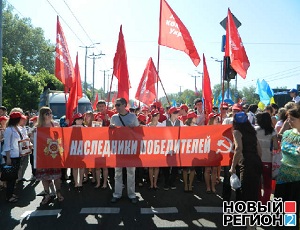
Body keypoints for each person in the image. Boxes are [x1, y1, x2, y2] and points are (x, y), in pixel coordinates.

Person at [274, 104, 300, 229]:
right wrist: (283, 129)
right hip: (283, 176)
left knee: (291, 210)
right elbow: (278, 144)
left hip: (296, 180)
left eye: (292, 119)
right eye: (288, 118)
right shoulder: (287, 133)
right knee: (279, 207)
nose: (289, 121)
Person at [110, 98, 139, 204]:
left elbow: (139, 132)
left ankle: (131, 194)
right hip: (119, 148)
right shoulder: (113, 117)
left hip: (130, 149)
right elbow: (110, 134)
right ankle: (117, 194)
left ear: (124, 105)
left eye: (118, 105)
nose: (116, 107)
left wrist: (134, 128)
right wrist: (111, 128)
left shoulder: (132, 116)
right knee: (117, 173)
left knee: (131, 172)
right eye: (115, 105)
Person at [229, 112, 262, 203]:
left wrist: (232, 167)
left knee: (244, 189)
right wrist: (258, 160)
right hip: (256, 159)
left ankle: (244, 212)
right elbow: (259, 149)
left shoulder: (237, 132)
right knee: (254, 188)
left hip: (246, 161)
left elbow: (238, 148)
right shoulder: (252, 131)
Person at [35, 107, 64, 205]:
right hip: (43, 156)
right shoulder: (38, 127)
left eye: (50, 113)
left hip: (54, 155)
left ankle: (58, 193)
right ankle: (47, 194)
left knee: (56, 176)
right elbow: (32, 140)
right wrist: (32, 135)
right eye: (47, 113)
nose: (49, 115)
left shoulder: (55, 125)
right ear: (42, 115)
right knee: (44, 177)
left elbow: (62, 137)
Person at [1, 112, 25, 202]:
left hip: (17, 155)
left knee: (13, 176)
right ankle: (9, 196)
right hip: (11, 156)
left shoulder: (18, 128)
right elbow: (7, 145)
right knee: (11, 177)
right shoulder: (9, 130)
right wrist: (8, 158)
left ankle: (10, 193)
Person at [255, 112, 278, 204]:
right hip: (268, 159)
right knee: (267, 184)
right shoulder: (272, 131)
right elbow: (276, 146)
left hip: (256, 158)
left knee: (257, 182)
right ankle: (265, 202)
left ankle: (258, 200)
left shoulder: (255, 130)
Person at [158, 106, 184, 190]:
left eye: (177, 113)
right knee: (166, 166)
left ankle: (172, 181)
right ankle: (166, 182)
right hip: (167, 147)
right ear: (171, 114)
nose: (177, 114)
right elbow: (156, 130)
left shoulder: (180, 123)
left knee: (175, 166)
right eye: (175, 113)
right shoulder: (164, 123)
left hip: (177, 146)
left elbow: (186, 131)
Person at [205, 113, 221, 194]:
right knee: (207, 170)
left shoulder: (219, 128)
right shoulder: (206, 129)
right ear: (211, 120)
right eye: (216, 119)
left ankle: (213, 186)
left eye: (218, 119)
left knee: (214, 169)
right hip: (208, 151)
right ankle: (208, 187)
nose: (217, 121)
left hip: (216, 151)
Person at [182, 111, 197, 192]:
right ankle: (185, 185)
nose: (196, 118)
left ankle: (190, 185)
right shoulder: (184, 127)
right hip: (185, 151)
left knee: (192, 169)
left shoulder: (196, 127)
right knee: (185, 169)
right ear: (191, 118)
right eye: (195, 117)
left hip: (193, 150)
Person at [71, 113, 86, 192]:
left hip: (82, 149)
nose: (80, 121)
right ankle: (76, 182)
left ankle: (80, 182)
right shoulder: (71, 128)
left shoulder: (85, 128)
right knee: (75, 166)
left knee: (81, 165)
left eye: (81, 119)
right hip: (73, 148)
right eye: (78, 119)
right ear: (75, 120)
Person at [147, 109, 160, 190]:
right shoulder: (147, 126)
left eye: (157, 115)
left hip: (158, 148)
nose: (156, 117)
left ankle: (155, 183)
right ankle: (151, 184)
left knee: (157, 167)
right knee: (151, 167)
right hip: (150, 148)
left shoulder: (161, 125)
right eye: (155, 115)